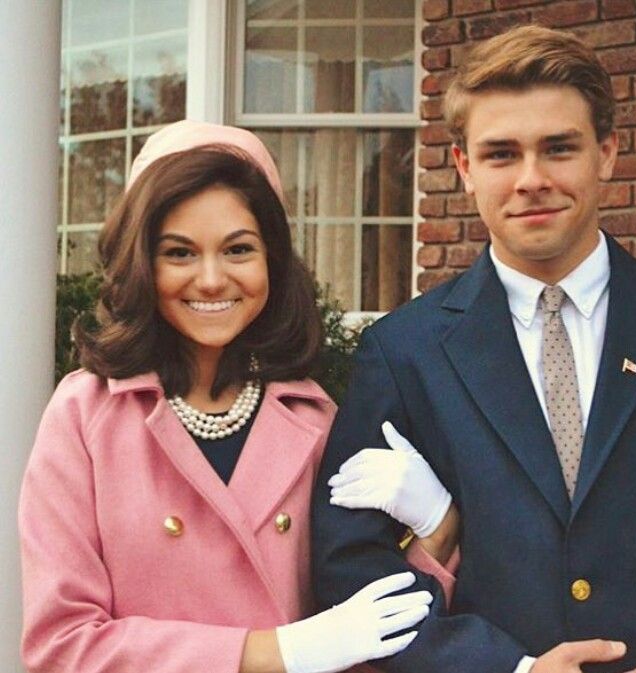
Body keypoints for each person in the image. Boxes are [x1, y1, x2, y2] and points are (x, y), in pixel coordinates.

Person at [312, 24, 636, 673]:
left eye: (558, 148)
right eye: (502, 154)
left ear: (606, 153)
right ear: (465, 168)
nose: (532, 179)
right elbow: (352, 565)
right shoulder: (401, 351)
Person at [18, 120, 458, 673]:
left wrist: (439, 530)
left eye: (238, 249)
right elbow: (62, 647)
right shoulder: (83, 415)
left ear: (272, 259)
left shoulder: (317, 419)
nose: (210, 279)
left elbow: (366, 633)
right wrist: (277, 651)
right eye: (179, 253)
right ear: (140, 262)